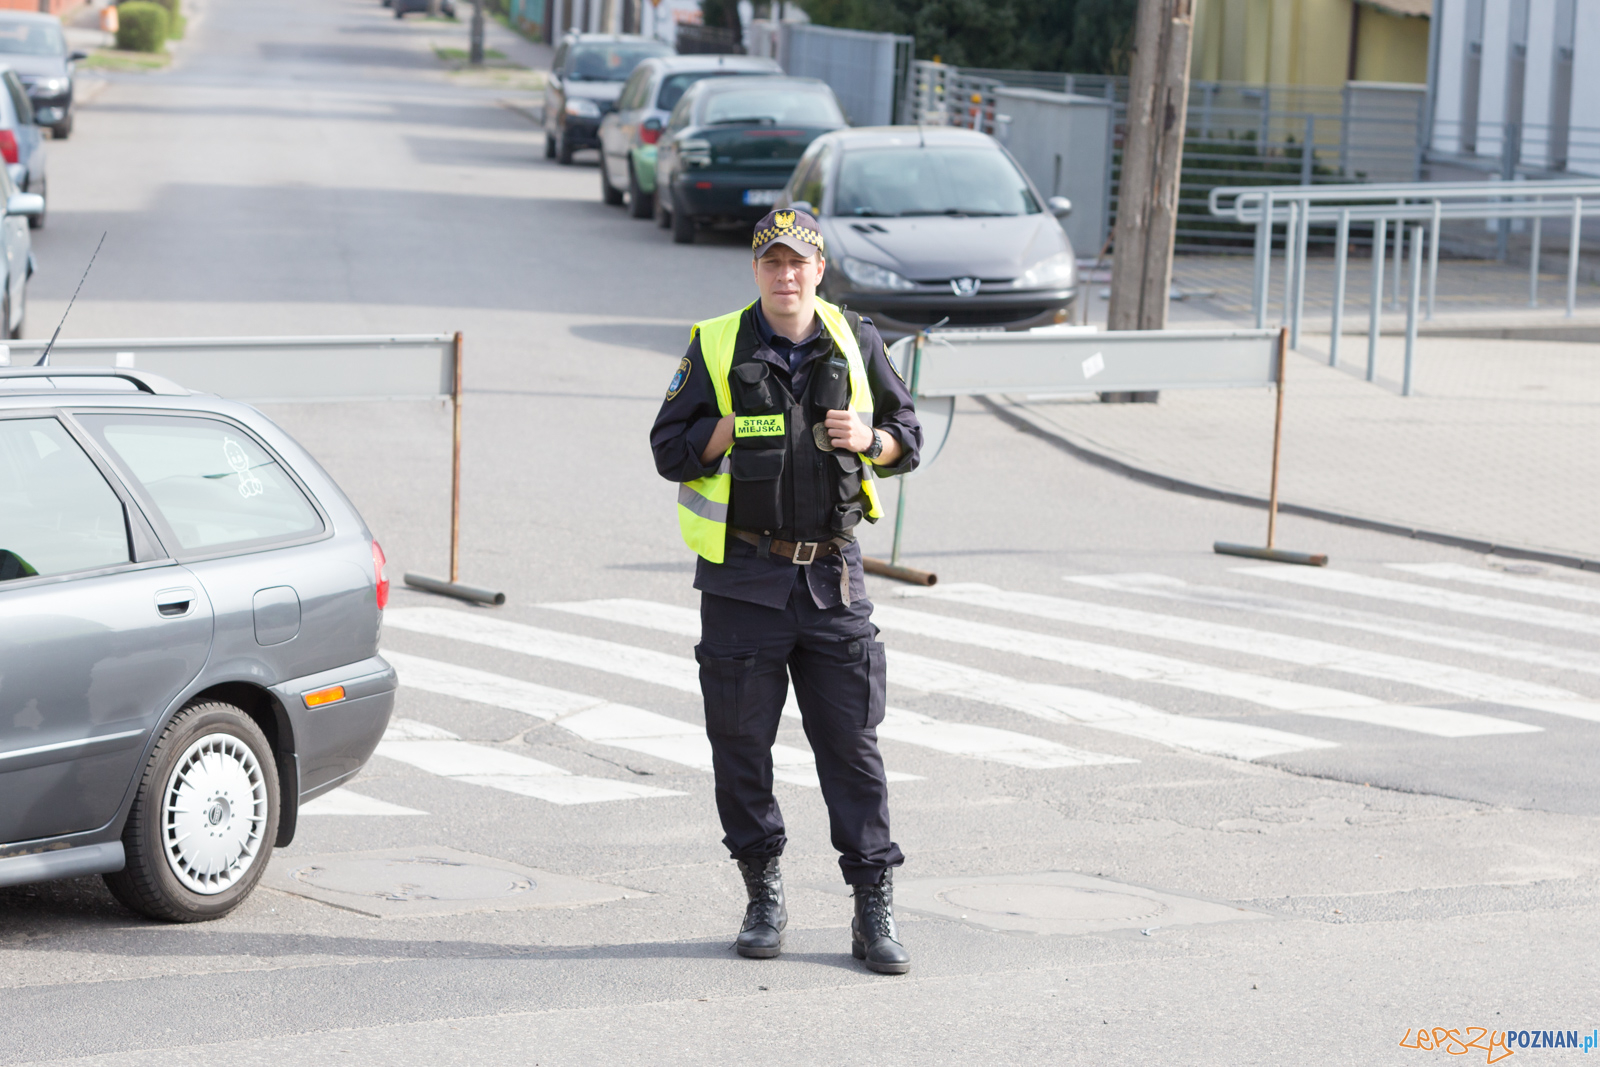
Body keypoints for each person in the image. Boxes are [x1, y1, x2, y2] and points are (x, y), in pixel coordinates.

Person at [650, 207, 923, 975]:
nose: (786, 274)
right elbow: (667, 449)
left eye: (798, 262)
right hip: (742, 580)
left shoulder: (855, 338)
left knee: (853, 749)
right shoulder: (714, 343)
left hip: (834, 578)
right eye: (772, 262)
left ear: (819, 269)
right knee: (740, 748)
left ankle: (873, 908)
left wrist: (872, 440)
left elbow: (910, 432)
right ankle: (762, 891)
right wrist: (724, 430)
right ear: (756, 271)